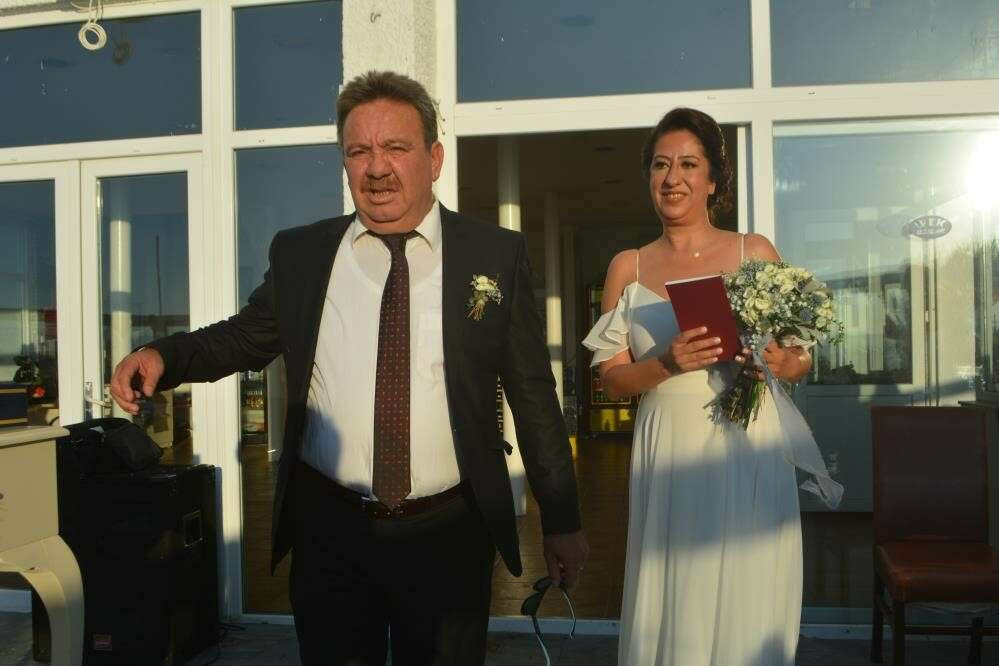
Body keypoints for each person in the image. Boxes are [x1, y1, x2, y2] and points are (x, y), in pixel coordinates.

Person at [110, 70, 588, 666]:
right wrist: (165, 355)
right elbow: (244, 338)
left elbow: (534, 396)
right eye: (359, 151)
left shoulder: (493, 254)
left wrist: (561, 519)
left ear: (435, 159)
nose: (377, 168)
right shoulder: (303, 254)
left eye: (396, 147)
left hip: (448, 534)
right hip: (330, 535)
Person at [583, 108, 817, 665]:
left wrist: (779, 361)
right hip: (669, 449)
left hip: (747, 444)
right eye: (661, 165)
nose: (673, 178)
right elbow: (611, 379)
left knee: (745, 585)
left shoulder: (753, 252)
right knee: (676, 586)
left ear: (713, 180)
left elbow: (801, 356)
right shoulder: (627, 267)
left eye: (689, 165)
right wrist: (666, 364)